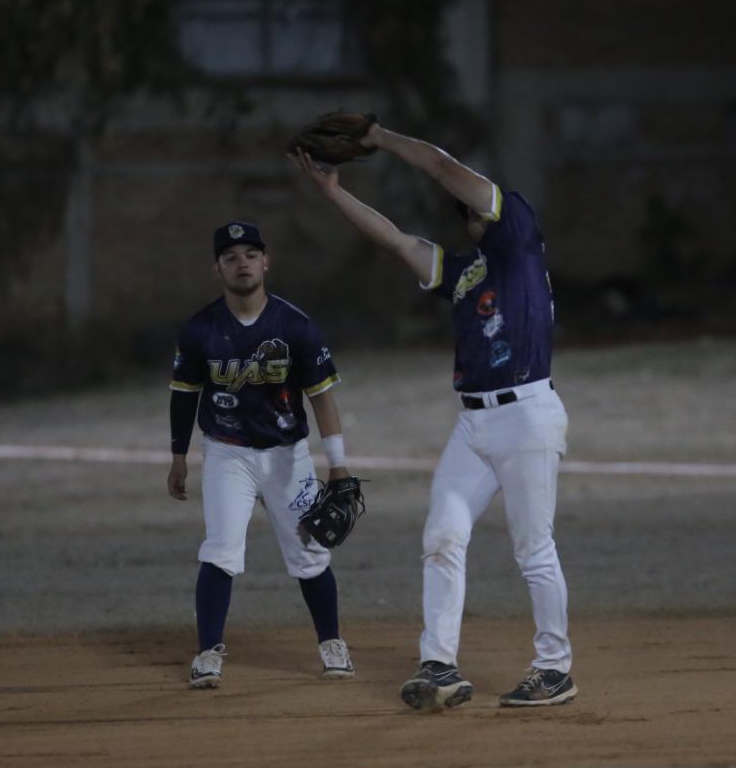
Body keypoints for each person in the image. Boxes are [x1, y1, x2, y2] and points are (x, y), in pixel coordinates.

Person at [290, 125, 577, 710]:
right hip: (474, 424)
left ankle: (554, 668)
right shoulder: (467, 271)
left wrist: (379, 136)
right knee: (442, 536)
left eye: (473, 204)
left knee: (533, 548)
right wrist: (333, 191)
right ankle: (439, 664)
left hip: (526, 414)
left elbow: (444, 169)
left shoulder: (518, 230)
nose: (472, 212)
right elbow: (397, 241)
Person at [167, 220, 355, 689]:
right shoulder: (201, 328)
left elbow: (322, 397)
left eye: (251, 255)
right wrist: (178, 456)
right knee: (221, 550)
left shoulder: (295, 325)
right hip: (227, 454)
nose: (243, 264)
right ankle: (208, 653)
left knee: (311, 553)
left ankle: (332, 643)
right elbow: (184, 395)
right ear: (217, 269)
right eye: (231, 257)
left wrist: (337, 463)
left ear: (266, 262)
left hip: (289, 456)